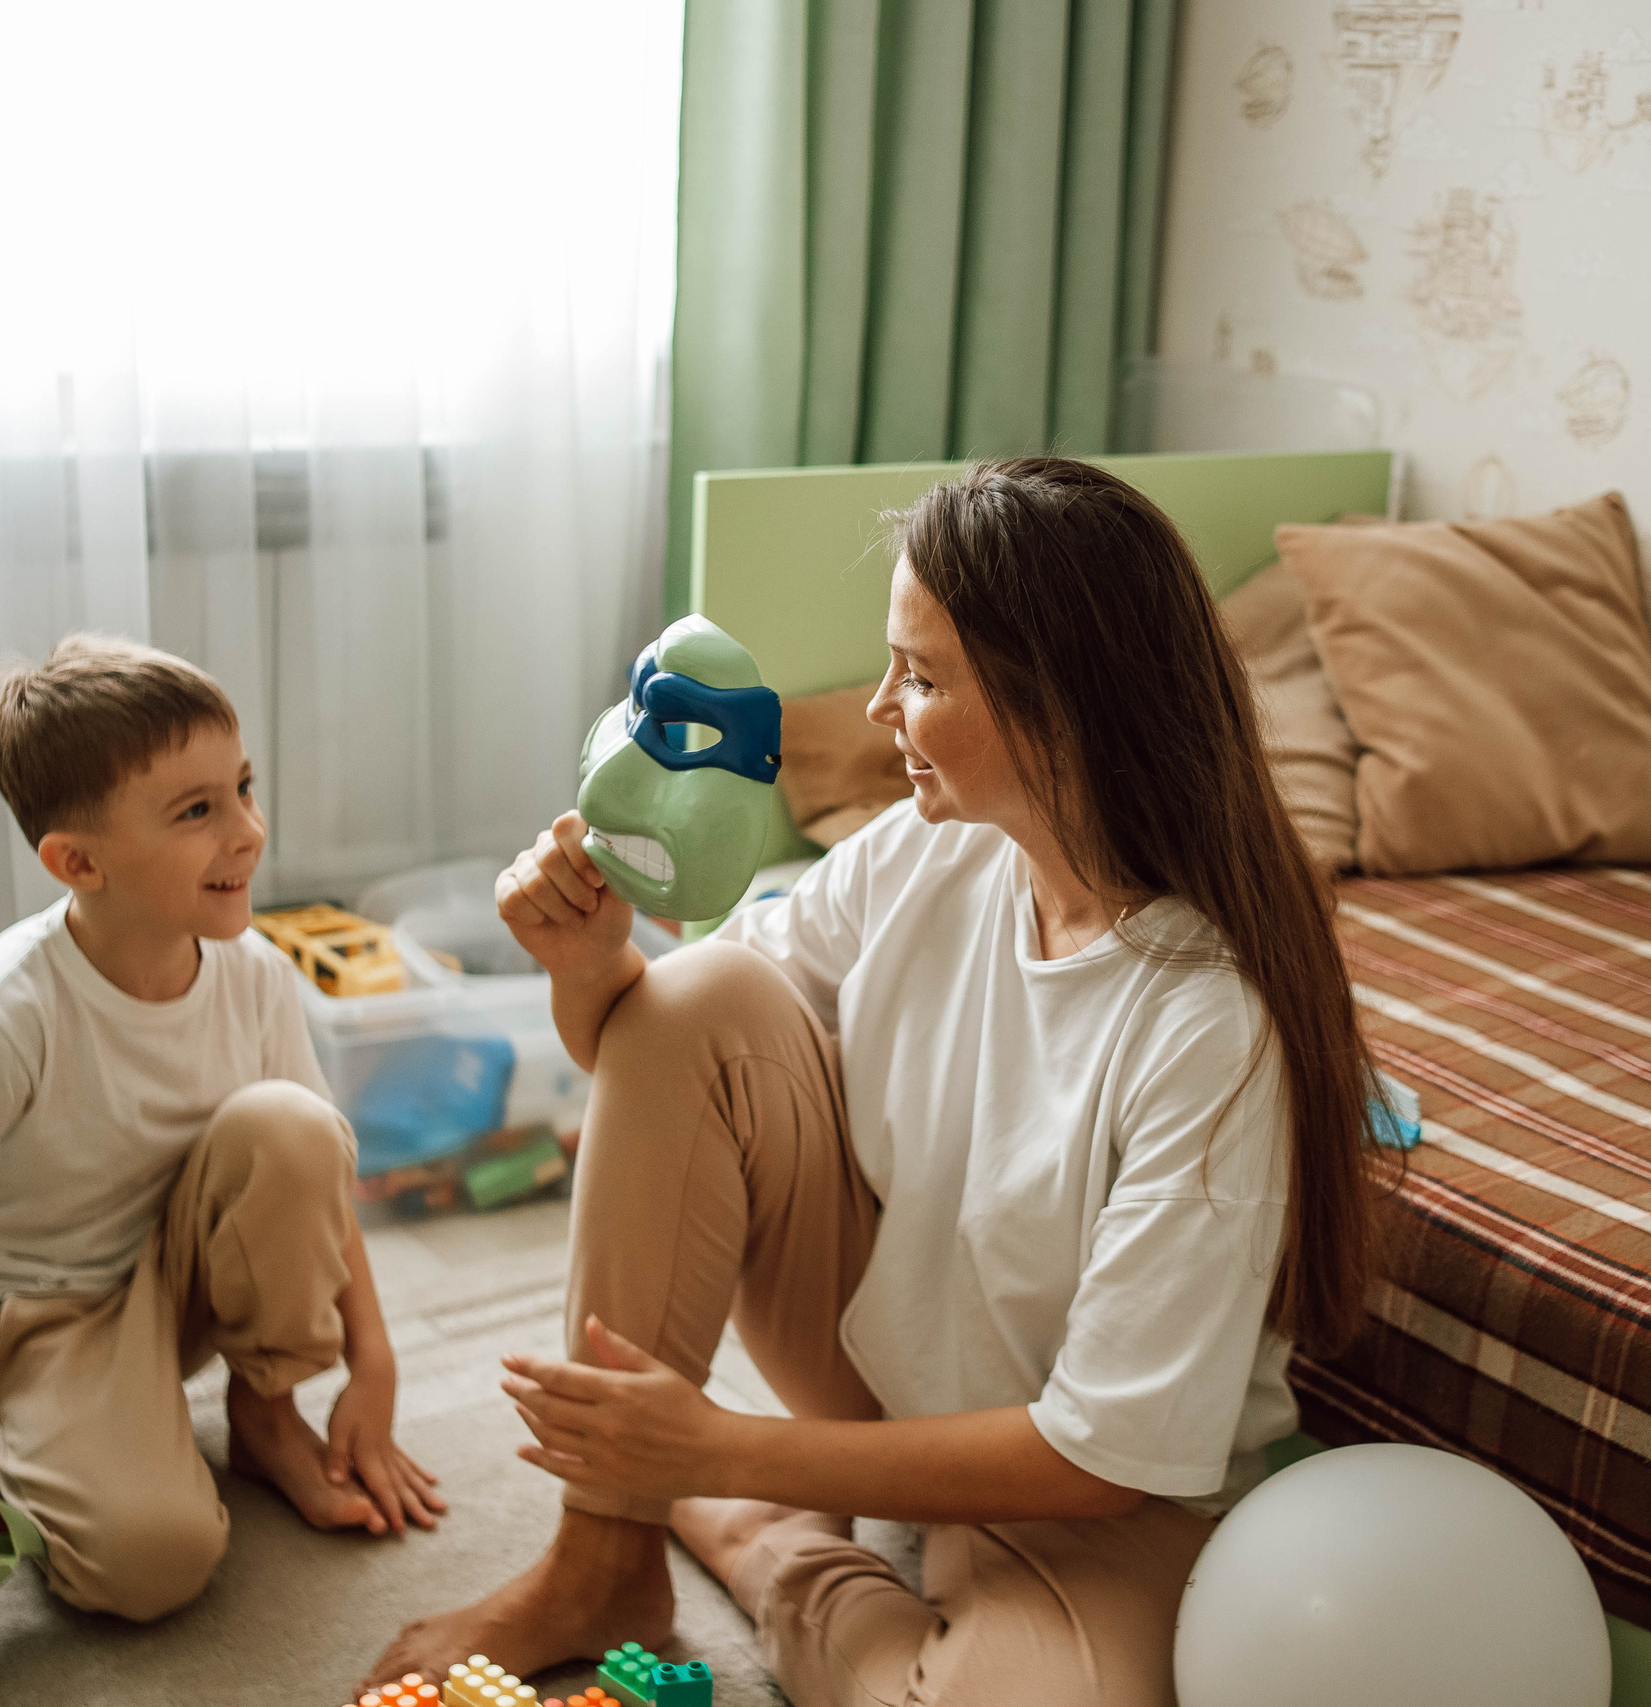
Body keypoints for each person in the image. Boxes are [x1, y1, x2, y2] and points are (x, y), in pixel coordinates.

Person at [370, 458, 1388, 1702]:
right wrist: (590, 969)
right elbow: (664, 1066)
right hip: (877, 1369)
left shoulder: (1205, 1027)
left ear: (1058, 708)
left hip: (1085, 1497)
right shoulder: (922, 853)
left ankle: (758, 1541)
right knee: (695, 991)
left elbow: (1101, 1457)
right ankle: (603, 1553)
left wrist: (734, 1453)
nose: (875, 714)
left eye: (918, 677)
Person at [0, 635, 445, 1624]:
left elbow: (315, 1179)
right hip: (51, 1315)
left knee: (295, 1127)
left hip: (191, 1274)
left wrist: (374, 1362)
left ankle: (262, 1414)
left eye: (243, 788)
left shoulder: (256, 976)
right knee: (153, 1568)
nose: (246, 832)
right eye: (198, 811)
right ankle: (43, 1444)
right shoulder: (8, 1010)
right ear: (78, 862)